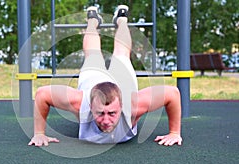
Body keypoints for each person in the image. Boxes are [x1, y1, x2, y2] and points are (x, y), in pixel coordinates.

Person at [28, 5, 182, 147]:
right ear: (90, 107)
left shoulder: (134, 106)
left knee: (122, 54)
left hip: (123, 82)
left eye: (112, 113)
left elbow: (172, 94)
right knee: (92, 55)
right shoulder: (79, 102)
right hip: (92, 80)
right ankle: (93, 20)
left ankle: (122, 20)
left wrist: (174, 133)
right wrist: (39, 134)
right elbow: (43, 94)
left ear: (121, 107)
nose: (106, 121)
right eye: (100, 113)